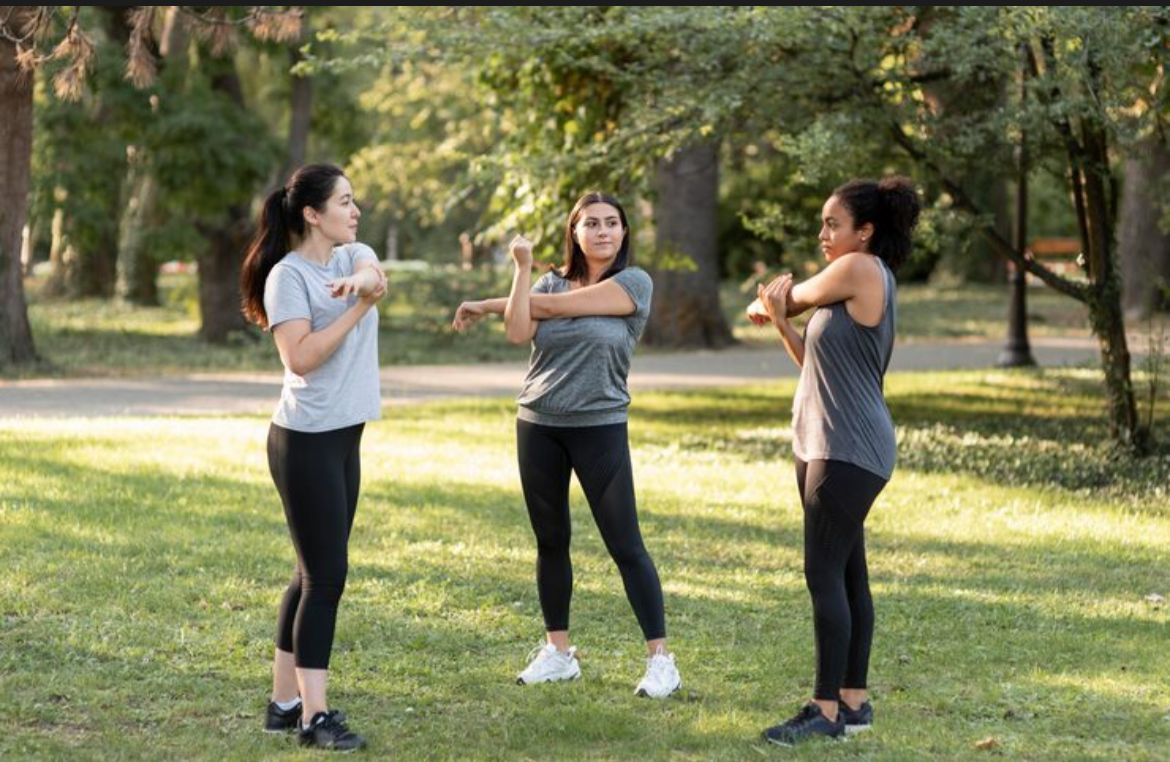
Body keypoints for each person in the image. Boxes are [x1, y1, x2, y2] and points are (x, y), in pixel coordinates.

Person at [451, 191, 682, 699]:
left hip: (599, 425)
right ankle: (558, 653)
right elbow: (519, 330)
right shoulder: (547, 279)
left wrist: (489, 303)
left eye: (613, 224)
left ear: (624, 232)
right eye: (592, 224)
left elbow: (554, 308)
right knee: (551, 540)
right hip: (538, 423)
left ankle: (661, 660)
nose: (603, 232)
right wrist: (521, 271)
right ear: (574, 231)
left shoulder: (633, 283)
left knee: (626, 544)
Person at [746, 176, 920, 746]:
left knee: (823, 573)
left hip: (848, 448)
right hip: (828, 442)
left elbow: (790, 293)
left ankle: (823, 712)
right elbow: (813, 363)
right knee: (848, 574)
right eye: (823, 224)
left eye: (833, 224)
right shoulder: (850, 282)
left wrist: (773, 302)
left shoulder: (861, 270)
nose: (823, 234)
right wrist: (778, 319)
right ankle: (853, 700)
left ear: (864, 232)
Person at [239, 163, 387, 751]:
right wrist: (356, 310)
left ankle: (283, 703)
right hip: (303, 441)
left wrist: (364, 285)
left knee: (309, 573)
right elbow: (300, 358)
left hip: (343, 435)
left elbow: (376, 274)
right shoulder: (286, 278)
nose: (355, 212)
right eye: (345, 202)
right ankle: (313, 717)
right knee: (327, 578)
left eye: (355, 201)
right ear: (312, 213)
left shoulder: (354, 254)